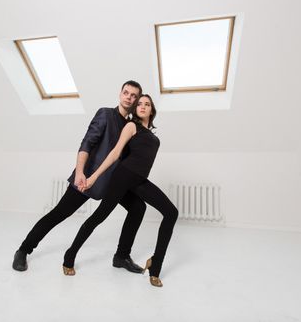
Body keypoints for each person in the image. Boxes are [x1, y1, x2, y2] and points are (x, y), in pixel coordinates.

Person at [12, 81, 147, 274]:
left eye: (134, 96)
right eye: (126, 93)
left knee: (138, 207)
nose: (129, 97)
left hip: (114, 183)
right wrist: (80, 172)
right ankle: (23, 250)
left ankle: (122, 256)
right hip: (88, 178)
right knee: (59, 213)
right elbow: (87, 143)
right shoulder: (105, 114)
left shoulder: (131, 126)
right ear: (120, 94)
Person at [62, 94, 178, 287]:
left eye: (147, 104)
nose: (142, 106)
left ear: (152, 110)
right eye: (139, 103)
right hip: (122, 176)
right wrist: (93, 177)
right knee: (99, 216)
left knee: (169, 212)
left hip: (139, 180)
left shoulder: (152, 136)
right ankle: (70, 254)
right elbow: (115, 153)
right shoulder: (132, 126)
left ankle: (151, 264)